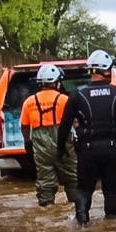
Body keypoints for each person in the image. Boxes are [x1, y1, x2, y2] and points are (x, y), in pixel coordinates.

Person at [57, 49, 116, 227]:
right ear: (107, 71)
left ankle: (82, 224)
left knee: (84, 189)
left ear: (92, 71)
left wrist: (60, 151)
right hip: (113, 150)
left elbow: (64, 126)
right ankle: (111, 225)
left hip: (87, 151)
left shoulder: (77, 95)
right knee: (111, 190)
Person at [21, 64, 77, 207]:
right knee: (72, 178)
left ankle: (47, 210)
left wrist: (28, 142)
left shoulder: (29, 102)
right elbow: (76, 122)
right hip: (63, 145)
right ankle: (77, 209)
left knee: (45, 182)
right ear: (56, 82)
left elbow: (24, 126)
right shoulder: (65, 99)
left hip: (41, 147)